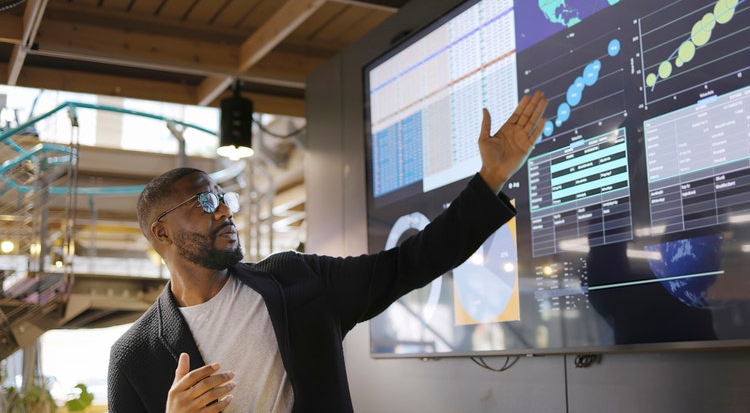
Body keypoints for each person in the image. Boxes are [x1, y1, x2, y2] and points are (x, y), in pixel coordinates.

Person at [107, 91, 548, 412]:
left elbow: (411, 262)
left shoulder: (298, 280)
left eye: (225, 197)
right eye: (205, 201)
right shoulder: (133, 357)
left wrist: (490, 177)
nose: (224, 208)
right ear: (162, 233)